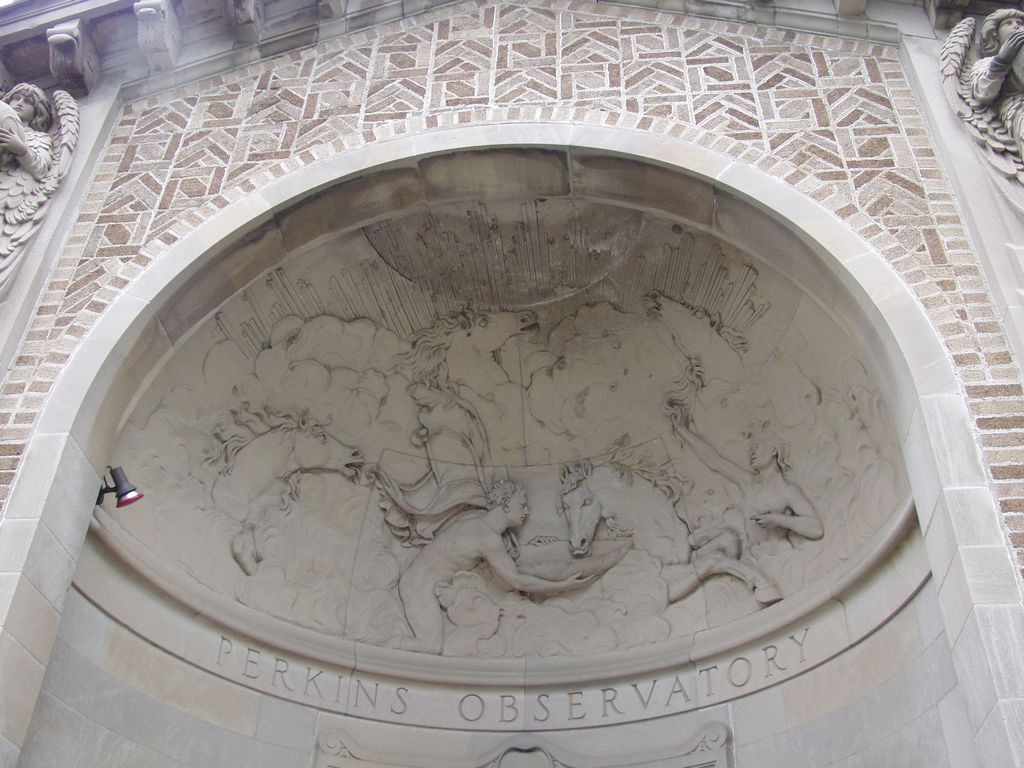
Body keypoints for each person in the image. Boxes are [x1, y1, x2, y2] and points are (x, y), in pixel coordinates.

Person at [397, 479, 591, 654]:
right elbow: (517, 581)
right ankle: (385, 644)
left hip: (418, 581)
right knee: (430, 645)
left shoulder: (473, 517)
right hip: (419, 587)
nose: (526, 512)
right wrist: (562, 585)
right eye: (522, 505)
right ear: (505, 504)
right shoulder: (487, 538)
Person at [668, 405, 824, 545]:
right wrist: (682, 429)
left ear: (773, 450)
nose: (752, 452)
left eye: (757, 447)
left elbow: (816, 528)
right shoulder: (749, 483)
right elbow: (714, 460)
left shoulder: (786, 491)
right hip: (757, 557)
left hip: (780, 558)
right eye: (751, 449)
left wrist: (778, 520)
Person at [969, 9, 1024, 155]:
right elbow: (983, 92)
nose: (1016, 26)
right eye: (1008, 23)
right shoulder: (989, 63)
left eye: (1020, 23)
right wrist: (1002, 61)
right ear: (995, 35)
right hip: (1018, 108)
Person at [0, 83, 53, 179]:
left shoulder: (38, 137)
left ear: (37, 111)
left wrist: (21, 149)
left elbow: (41, 168)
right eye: (16, 98)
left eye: (28, 101)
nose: (20, 103)